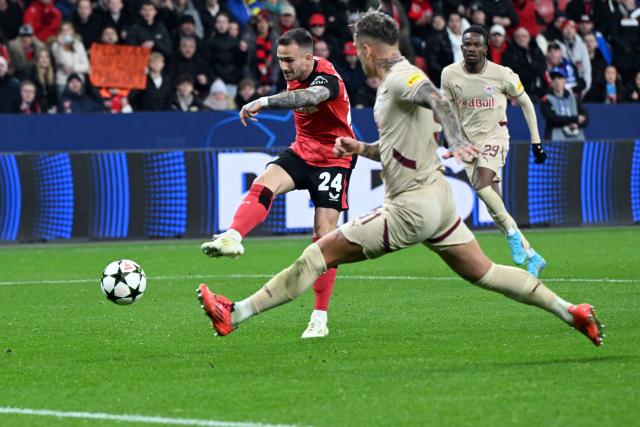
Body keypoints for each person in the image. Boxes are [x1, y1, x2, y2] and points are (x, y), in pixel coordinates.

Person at [196, 11, 604, 349]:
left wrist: (459, 138)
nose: (356, 58)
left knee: (317, 254)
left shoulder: (400, 78)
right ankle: (571, 311)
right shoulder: (399, 79)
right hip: (439, 201)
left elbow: (435, 98)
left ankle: (235, 314)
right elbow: (398, 143)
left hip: (409, 208)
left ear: (370, 48)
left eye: (358, 50)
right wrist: (360, 150)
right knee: (488, 273)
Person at [200, 28, 357, 339]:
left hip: (335, 157)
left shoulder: (328, 78)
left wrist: (264, 100)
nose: (284, 66)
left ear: (309, 57)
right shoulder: (294, 70)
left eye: (289, 60)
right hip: (302, 149)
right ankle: (232, 236)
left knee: (324, 237)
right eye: (280, 59)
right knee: (264, 183)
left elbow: (310, 97)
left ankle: (319, 317)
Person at [440, 25, 547, 276]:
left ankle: (511, 234)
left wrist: (536, 141)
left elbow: (527, 103)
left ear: (486, 46)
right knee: (494, 205)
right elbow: (447, 109)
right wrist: (450, 137)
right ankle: (532, 255)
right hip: (468, 143)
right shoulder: (449, 74)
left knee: (480, 185)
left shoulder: (503, 75)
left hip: (495, 137)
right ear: (461, 46)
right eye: (467, 44)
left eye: (477, 44)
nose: (471, 49)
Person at [540, 68, 588, 141]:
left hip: (576, 139)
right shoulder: (546, 100)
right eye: (554, 79)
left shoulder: (573, 98)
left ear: (564, 80)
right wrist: (575, 119)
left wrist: (577, 125)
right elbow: (552, 118)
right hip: (555, 141)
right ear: (551, 82)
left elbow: (585, 116)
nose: (557, 81)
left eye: (559, 78)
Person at [51, 20, 90, 92]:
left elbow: (86, 66)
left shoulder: (79, 45)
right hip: (63, 81)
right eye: (63, 30)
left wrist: (74, 68)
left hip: (79, 81)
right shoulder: (56, 46)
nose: (66, 32)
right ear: (60, 32)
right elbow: (62, 62)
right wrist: (61, 46)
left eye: (68, 29)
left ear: (72, 31)